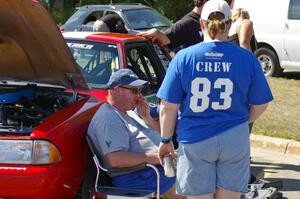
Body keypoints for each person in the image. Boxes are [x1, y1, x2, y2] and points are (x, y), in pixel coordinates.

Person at [156, 1, 273, 199]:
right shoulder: (246, 58)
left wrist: (165, 140)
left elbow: (168, 107)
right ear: (229, 25)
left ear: (201, 24)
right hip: (234, 138)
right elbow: (261, 103)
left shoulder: (184, 58)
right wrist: (243, 121)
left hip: (195, 140)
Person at [87, 68, 185, 199]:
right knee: (200, 190)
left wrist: (147, 118)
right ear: (116, 90)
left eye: (140, 91)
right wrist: (157, 157)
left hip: (156, 170)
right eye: (134, 91)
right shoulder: (109, 118)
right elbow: (115, 159)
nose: (139, 95)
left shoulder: (129, 111)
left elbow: (160, 137)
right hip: (141, 177)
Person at [228, 8, 257, 134]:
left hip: (228, 76)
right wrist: (254, 70)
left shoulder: (228, 29)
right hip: (243, 76)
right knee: (247, 114)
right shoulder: (245, 23)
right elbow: (244, 44)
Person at [139, 0, 208, 50]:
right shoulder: (187, 22)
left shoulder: (211, 20)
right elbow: (166, 40)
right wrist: (156, 32)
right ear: (205, 2)